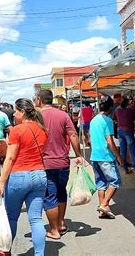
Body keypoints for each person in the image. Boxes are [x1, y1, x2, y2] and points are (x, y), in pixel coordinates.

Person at [0, 98, 48, 256]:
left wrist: (1, 182)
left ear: (23, 112)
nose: (14, 114)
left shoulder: (16, 130)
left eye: (16, 111)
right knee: (36, 219)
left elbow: (10, 158)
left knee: (11, 217)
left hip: (19, 176)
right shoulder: (43, 129)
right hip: (39, 175)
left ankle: (5, 251)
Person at [35, 90, 83, 240]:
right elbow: (73, 135)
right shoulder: (63, 115)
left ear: (39, 100)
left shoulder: (36, 117)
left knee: (50, 196)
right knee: (61, 192)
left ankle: (54, 230)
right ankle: (61, 224)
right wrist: (79, 155)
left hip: (45, 163)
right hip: (63, 162)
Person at [89, 101, 123, 219]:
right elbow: (110, 141)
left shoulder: (93, 121)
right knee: (115, 181)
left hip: (95, 155)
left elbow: (90, 138)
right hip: (105, 156)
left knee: (101, 183)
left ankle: (103, 209)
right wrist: (119, 157)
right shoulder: (107, 121)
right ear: (109, 110)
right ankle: (104, 204)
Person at [114, 98, 135, 175]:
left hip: (120, 130)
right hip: (128, 130)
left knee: (123, 151)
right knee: (132, 150)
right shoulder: (130, 109)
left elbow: (115, 120)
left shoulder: (116, 110)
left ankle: (125, 169)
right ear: (127, 103)